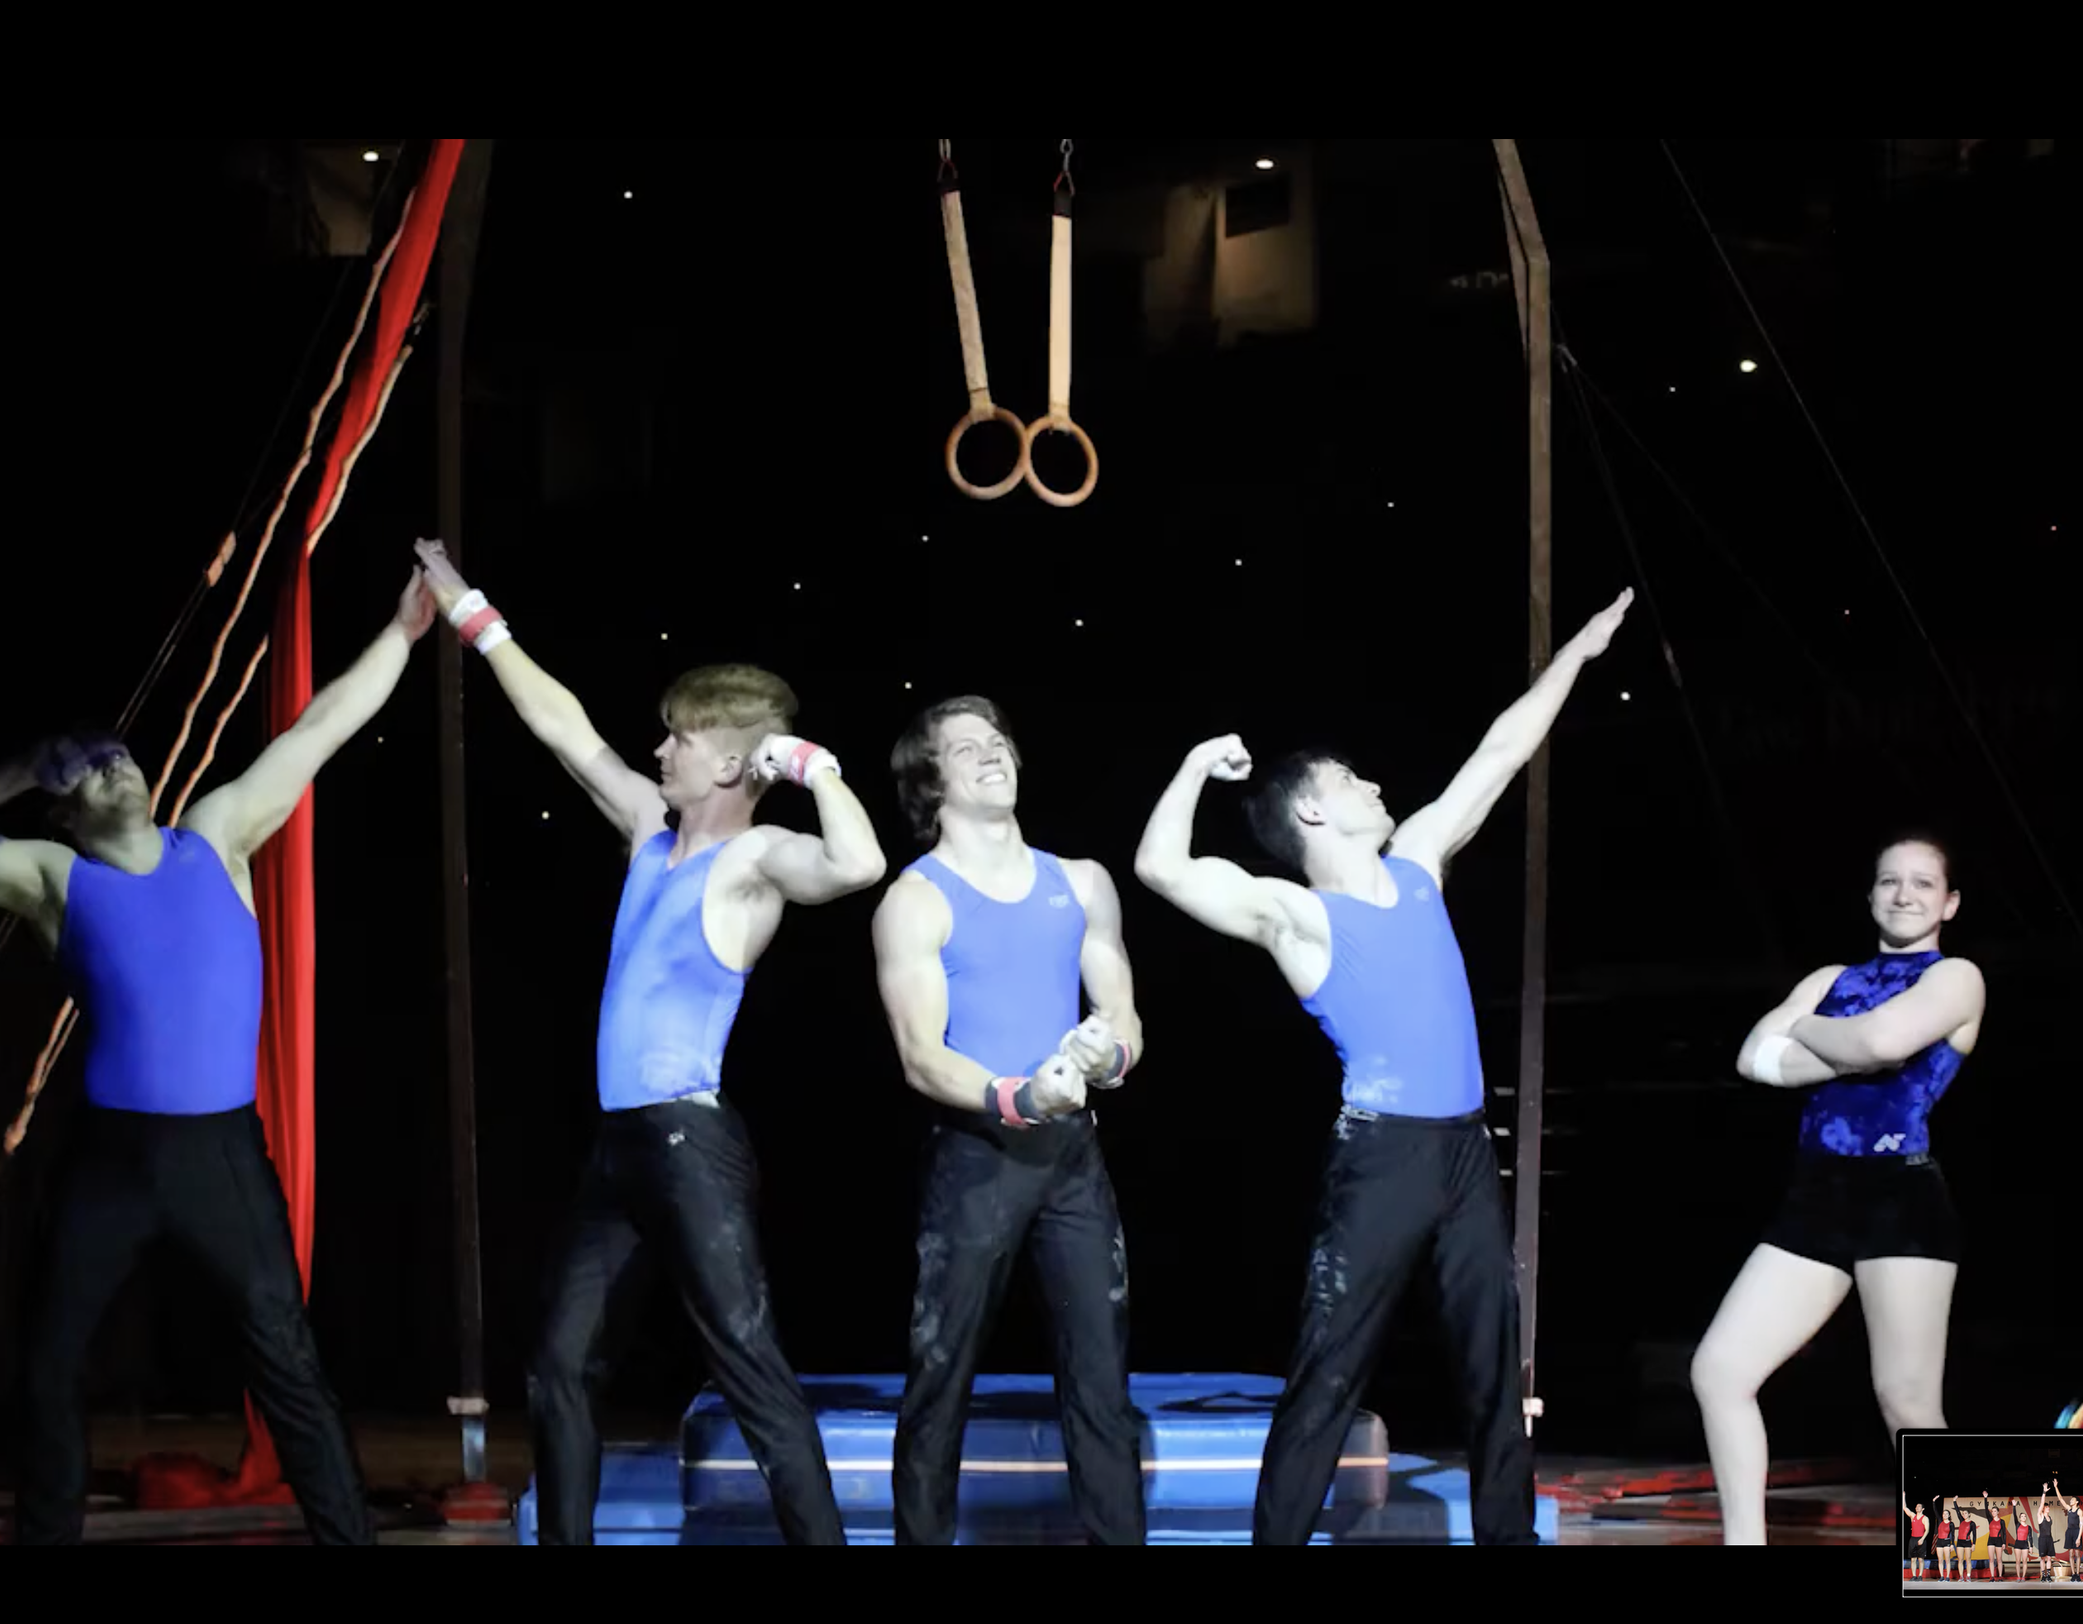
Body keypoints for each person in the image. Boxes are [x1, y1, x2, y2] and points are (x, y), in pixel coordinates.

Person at [0, 574, 440, 1545]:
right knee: (50, 1363)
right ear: (64, 812)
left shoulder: (217, 835)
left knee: (288, 1361)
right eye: (93, 768)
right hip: (111, 1160)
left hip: (218, 1156)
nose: (117, 768)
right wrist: (23, 766)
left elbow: (322, 727)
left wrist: (401, 631)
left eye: (123, 756)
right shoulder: (55, 878)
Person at [1131, 589, 1634, 1547]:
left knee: (1494, 1367)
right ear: (1312, 808)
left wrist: (1575, 653)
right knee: (1330, 1368)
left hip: (1463, 1151)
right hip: (1383, 1158)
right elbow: (1161, 868)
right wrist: (1197, 765)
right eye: (1350, 778)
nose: (1373, 784)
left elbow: (1501, 751)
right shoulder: (1297, 915)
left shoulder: (1419, 861)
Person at [411, 540, 881, 1547]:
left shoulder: (755, 857)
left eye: (679, 738)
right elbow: (562, 726)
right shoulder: (646, 831)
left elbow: (856, 863)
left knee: (750, 1367)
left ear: (731, 761)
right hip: (619, 1148)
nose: (659, 751)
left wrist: (809, 765)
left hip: (688, 1144)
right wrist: (471, 614)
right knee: (558, 1364)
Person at [872, 695, 1148, 1546]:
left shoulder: (1083, 882)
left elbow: (1124, 1020)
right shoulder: (916, 899)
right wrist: (1019, 1096)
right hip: (978, 1154)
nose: (992, 755)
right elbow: (922, 1057)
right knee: (940, 1376)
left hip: (1072, 1159)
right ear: (931, 782)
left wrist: (1109, 1055)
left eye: (997, 742)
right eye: (965, 749)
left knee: (1101, 1379)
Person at [1691, 834, 1985, 1546]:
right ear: (1871, 894)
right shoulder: (1831, 977)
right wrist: (1844, 1043)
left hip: (1900, 1196)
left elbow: (1880, 1045)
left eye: (1922, 883)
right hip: (1817, 1196)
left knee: (1906, 1400)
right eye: (1890, 881)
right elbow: (1755, 1059)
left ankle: (1981, 1564)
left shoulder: (1955, 978)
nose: (1904, 894)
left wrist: (1805, 1029)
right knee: (1719, 1370)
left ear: (1948, 903)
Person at [1905, 1496, 1929, 1577]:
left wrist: (1922, 1539)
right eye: (1916, 1506)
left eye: (1919, 1506)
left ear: (1923, 1509)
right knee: (1913, 1559)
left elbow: (1927, 1530)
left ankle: (1920, 1576)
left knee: (1921, 1559)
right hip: (1913, 1539)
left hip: (1921, 1538)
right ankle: (1914, 1576)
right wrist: (1903, 1496)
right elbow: (1905, 1508)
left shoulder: (1925, 1518)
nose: (1917, 1507)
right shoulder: (1913, 1516)